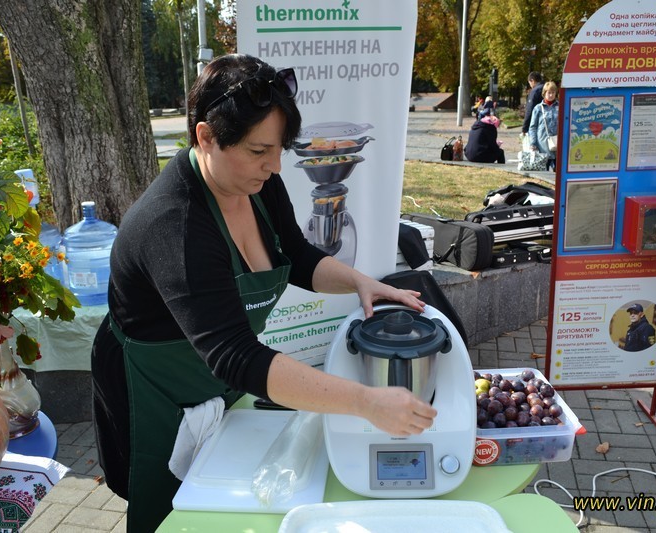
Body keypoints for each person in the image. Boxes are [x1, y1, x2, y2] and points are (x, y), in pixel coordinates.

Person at [90, 54, 436, 532]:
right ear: (206, 137)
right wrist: (365, 401)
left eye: (278, 149)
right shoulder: (174, 225)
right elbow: (234, 354)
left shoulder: (258, 186)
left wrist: (360, 282)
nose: (275, 166)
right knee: (169, 516)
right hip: (155, 394)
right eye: (258, 151)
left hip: (216, 377)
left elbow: (296, 254)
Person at [528, 81, 559, 171]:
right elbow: (533, 127)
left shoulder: (560, 107)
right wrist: (533, 143)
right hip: (542, 146)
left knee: (558, 174)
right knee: (543, 172)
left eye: (553, 92)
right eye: (549, 92)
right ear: (544, 93)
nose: (551, 95)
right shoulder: (538, 108)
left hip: (557, 145)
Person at [521, 71, 544, 136]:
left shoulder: (535, 91)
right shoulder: (548, 88)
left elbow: (530, 110)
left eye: (529, 83)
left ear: (532, 80)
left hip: (536, 124)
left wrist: (525, 128)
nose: (530, 86)